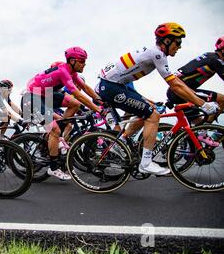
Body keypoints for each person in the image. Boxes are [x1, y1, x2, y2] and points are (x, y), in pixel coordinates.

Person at [97, 23, 219, 176]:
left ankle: (119, 142)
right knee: (153, 116)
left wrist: (199, 101)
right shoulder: (157, 54)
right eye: (178, 42)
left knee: (149, 109)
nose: (180, 46)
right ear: (167, 41)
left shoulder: (155, 52)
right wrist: (203, 104)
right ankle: (146, 163)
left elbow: (177, 82)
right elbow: (174, 85)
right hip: (111, 87)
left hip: (113, 85)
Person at [23, 47, 103, 180]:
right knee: (55, 128)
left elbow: (85, 88)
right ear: (72, 61)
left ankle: (57, 135)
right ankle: (53, 168)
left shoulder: (72, 72)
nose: (84, 64)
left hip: (46, 95)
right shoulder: (63, 72)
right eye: (82, 61)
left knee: (75, 104)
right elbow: (78, 94)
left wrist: (101, 101)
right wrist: (98, 109)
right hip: (32, 97)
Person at [166, 35, 223, 125]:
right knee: (222, 100)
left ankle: (199, 134)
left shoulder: (209, 55)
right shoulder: (216, 61)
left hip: (177, 92)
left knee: (197, 125)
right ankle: (205, 130)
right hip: (182, 92)